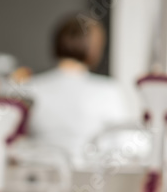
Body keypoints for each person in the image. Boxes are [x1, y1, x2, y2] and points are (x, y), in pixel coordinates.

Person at [20, 14, 137, 166]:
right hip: (92, 184)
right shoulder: (108, 91)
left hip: (39, 183)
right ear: (95, 49)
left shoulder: (29, 87)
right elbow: (127, 146)